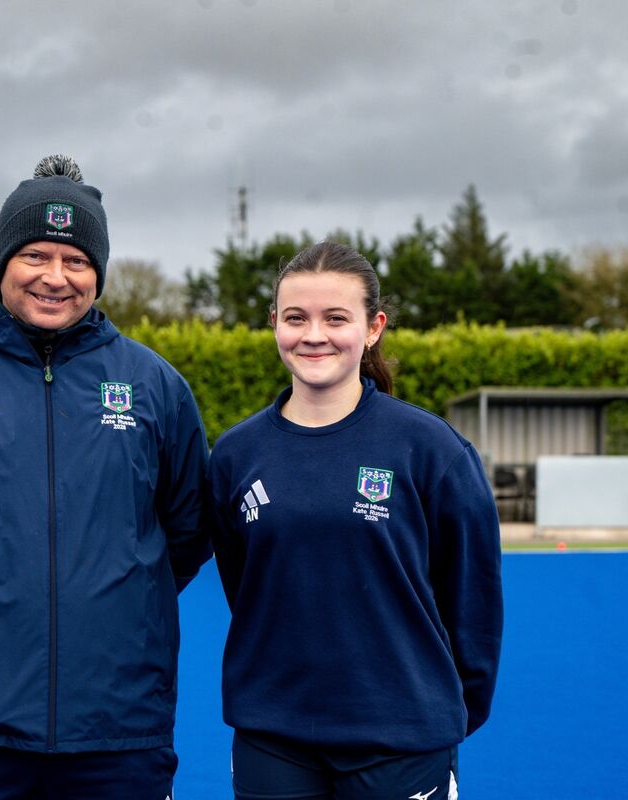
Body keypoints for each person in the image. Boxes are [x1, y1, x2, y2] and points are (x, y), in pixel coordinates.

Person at [0, 155, 210, 800]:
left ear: (98, 273)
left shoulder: (155, 385)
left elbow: (185, 533)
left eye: (76, 260)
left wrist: (123, 603)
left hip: (118, 730)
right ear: (1, 264)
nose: (55, 277)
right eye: (36, 256)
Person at [205, 241, 503, 800]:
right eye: (296, 317)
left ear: (373, 328)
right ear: (274, 324)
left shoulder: (431, 449)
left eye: (336, 318)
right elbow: (245, 585)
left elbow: (473, 599)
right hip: (273, 734)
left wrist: (441, 709)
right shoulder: (235, 455)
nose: (313, 334)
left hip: (402, 736)